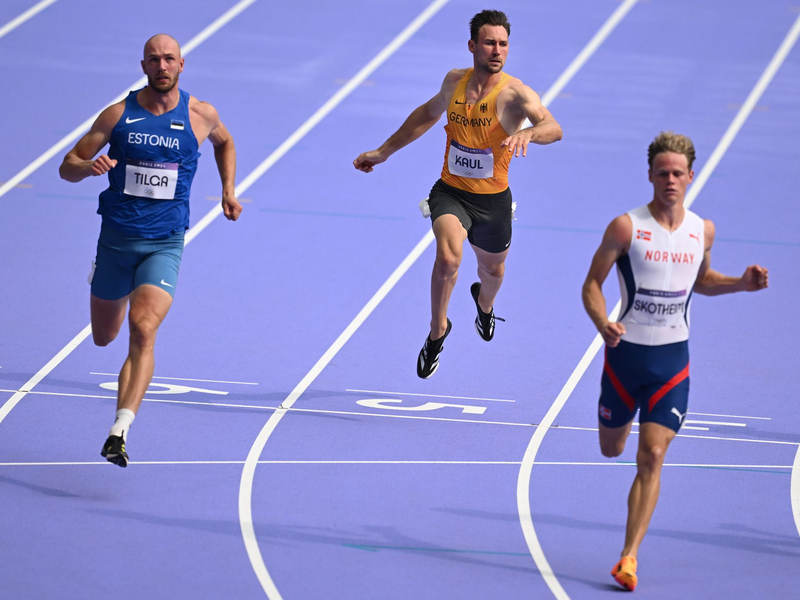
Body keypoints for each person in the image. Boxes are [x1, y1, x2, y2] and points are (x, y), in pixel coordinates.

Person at [581, 131, 768, 591]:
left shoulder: (702, 230)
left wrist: (741, 284)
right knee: (613, 449)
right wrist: (603, 322)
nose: (670, 180)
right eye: (662, 172)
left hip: (672, 362)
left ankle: (628, 557)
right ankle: (618, 426)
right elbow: (591, 285)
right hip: (624, 359)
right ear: (649, 175)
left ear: (690, 176)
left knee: (655, 454)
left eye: (677, 173)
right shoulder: (626, 227)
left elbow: (700, 280)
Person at [59, 34, 242, 467]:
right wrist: (89, 168)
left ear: (182, 65)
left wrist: (228, 190)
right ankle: (105, 278)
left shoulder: (201, 115)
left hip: (165, 243)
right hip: (117, 242)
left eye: (170, 59)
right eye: (154, 60)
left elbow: (225, 143)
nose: (162, 66)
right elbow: (67, 166)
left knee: (143, 330)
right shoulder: (118, 115)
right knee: (104, 337)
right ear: (143, 65)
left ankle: (119, 430)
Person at [354, 9, 562, 378]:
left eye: (503, 44)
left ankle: (484, 305)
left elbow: (553, 126)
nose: (497, 50)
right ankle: (438, 331)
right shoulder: (454, 81)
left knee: (492, 271)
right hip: (450, 192)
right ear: (472, 46)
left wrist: (528, 133)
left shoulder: (515, 93)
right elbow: (426, 114)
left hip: (493, 202)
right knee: (449, 260)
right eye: (489, 43)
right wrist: (383, 151)